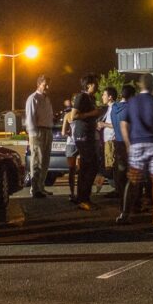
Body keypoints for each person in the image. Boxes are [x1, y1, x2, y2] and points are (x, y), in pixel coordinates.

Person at [118, 74, 153, 225]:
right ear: (152, 85)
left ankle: (125, 213)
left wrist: (128, 143)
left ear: (140, 85)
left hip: (136, 144)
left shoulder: (132, 102)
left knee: (134, 180)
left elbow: (124, 124)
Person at [71, 75, 103, 210]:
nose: (97, 86)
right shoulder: (81, 97)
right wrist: (92, 113)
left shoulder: (91, 98)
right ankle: (82, 198)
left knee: (89, 166)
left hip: (89, 135)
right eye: (95, 84)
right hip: (82, 136)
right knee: (90, 165)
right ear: (89, 84)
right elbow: (74, 116)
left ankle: (84, 197)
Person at [24, 74, 55, 198]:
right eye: (44, 84)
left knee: (45, 161)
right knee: (37, 160)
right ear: (38, 84)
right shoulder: (33, 98)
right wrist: (33, 133)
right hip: (38, 132)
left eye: (48, 85)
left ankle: (41, 187)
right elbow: (30, 117)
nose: (47, 87)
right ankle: (35, 188)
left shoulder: (46, 99)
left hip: (48, 130)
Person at [110, 84, 134, 204]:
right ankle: (132, 202)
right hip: (129, 143)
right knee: (132, 174)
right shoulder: (130, 108)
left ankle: (121, 199)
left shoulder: (114, 108)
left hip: (117, 142)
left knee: (120, 173)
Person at [97, 87, 118, 197]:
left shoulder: (114, 108)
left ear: (110, 97)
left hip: (111, 140)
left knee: (112, 165)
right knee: (109, 165)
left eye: (104, 95)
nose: (102, 97)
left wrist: (104, 125)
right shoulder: (109, 108)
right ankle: (116, 189)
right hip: (106, 140)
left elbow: (116, 125)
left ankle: (117, 190)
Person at [60, 96, 79, 203]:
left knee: (72, 170)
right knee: (76, 170)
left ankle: (72, 193)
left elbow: (63, 132)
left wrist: (69, 133)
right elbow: (63, 132)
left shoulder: (68, 115)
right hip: (77, 143)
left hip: (71, 144)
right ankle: (75, 193)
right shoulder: (79, 114)